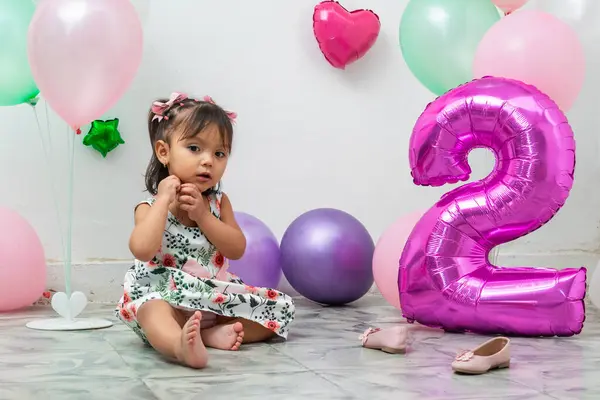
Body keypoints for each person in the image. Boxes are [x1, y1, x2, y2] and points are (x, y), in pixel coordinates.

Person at [115, 92, 295, 369]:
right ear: (164, 152)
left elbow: (236, 248)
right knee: (151, 310)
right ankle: (177, 345)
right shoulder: (149, 206)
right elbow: (142, 249)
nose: (208, 160)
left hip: (210, 296)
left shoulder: (218, 203)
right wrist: (163, 200)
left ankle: (207, 333)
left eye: (219, 153)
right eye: (195, 148)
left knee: (280, 310)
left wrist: (202, 216)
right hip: (165, 298)